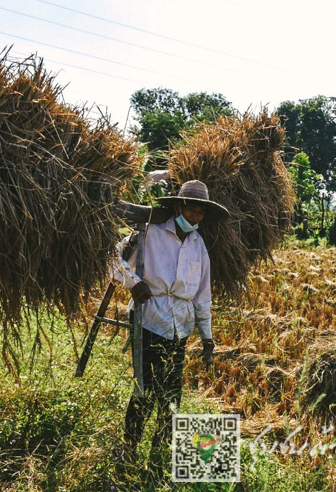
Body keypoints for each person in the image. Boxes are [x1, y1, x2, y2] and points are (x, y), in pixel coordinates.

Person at [111, 180, 229, 473]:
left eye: (200, 211)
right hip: (150, 319)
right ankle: (129, 450)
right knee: (145, 391)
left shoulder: (198, 245)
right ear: (178, 206)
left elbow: (203, 294)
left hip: (181, 327)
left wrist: (207, 337)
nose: (195, 215)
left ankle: (159, 454)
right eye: (191, 208)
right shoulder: (148, 233)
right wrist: (133, 283)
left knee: (171, 394)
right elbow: (111, 258)